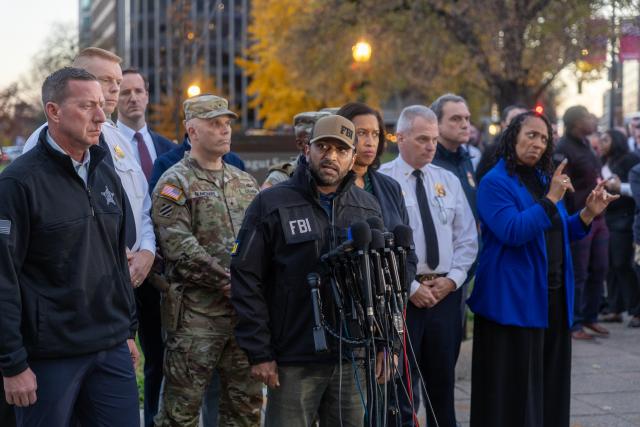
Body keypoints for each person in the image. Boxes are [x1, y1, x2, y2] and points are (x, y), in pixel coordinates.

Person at [0, 67, 139, 426]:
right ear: (54, 111)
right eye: (87, 106)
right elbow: (3, 278)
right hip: (49, 359)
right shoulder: (18, 184)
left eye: (101, 105)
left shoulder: (106, 172)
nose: (100, 116)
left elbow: (116, 259)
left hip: (110, 349)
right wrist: (12, 364)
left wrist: (126, 330)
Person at [231, 115, 386, 426]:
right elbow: (246, 278)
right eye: (323, 147)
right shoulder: (271, 204)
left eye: (341, 151)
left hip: (350, 357)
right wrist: (260, 351)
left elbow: (380, 282)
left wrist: (385, 344)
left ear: (353, 158)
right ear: (307, 150)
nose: (331, 157)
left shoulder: (367, 208)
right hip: (293, 358)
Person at [468, 110, 618, 427]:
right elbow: (512, 231)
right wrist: (551, 199)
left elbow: (559, 230)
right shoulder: (494, 182)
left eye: (544, 139)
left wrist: (587, 215)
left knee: (550, 387)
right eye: (531, 135)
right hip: (512, 302)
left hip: (551, 297)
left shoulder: (542, 181)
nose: (537, 144)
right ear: (513, 137)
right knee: (516, 395)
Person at [152, 94, 262, 427]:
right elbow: (178, 245)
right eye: (214, 124)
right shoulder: (175, 182)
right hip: (195, 320)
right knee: (180, 414)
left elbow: (261, 240)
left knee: (244, 412)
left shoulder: (245, 182)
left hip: (243, 319)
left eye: (227, 124)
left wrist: (250, 287)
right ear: (192, 131)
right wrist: (228, 282)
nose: (224, 131)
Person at [23, 47, 156, 293]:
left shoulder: (119, 140)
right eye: (106, 79)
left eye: (118, 80)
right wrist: (111, 253)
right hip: (79, 283)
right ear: (79, 80)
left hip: (132, 275)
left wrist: (147, 251)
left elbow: (143, 205)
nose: (116, 88)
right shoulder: (44, 141)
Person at [379, 105, 478, 427]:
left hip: (445, 296)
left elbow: (466, 239)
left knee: (443, 386)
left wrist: (453, 280)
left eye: (434, 139)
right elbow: (382, 246)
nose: (431, 146)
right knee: (402, 389)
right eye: (423, 139)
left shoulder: (447, 180)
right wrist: (410, 286)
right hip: (404, 296)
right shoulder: (383, 181)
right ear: (400, 138)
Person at [116, 67, 175, 427]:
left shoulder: (167, 148)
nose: (133, 97)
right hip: (117, 267)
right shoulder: (104, 145)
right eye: (125, 92)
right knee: (120, 360)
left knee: (158, 357)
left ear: (148, 96)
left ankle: (152, 420)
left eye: (138, 91)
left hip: (157, 270)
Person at [555, 105, 610, 340]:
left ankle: (590, 317)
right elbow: (561, 186)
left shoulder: (587, 144)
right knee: (579, 272)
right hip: (580, 218)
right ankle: (574, 323)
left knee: (599, 268)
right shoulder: (563, 149)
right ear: (576, 122)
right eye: (588, 117)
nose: (593, 120)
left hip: (599, 218)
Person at [600, 129, 640, 327]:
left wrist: (619, 187)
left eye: (605, 139)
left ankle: (636, 310)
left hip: (624, 219)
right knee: (612, 265)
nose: (601, 143)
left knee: (622, 264)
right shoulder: (604, 162)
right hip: (609, 217)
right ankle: (615, 308)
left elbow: (636, 188)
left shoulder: (630, 160)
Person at [261, 111, 328, 189]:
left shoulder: (337, 173)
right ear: (300, 144)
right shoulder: (280, 178)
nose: (325, 148)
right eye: (316, 142)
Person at [475, 104, 527, 183]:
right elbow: (481, 179)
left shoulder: (526, 149)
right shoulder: (492, 150)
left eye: (521, 120)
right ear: (503, 124)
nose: (518, 123)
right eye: (513, 119)